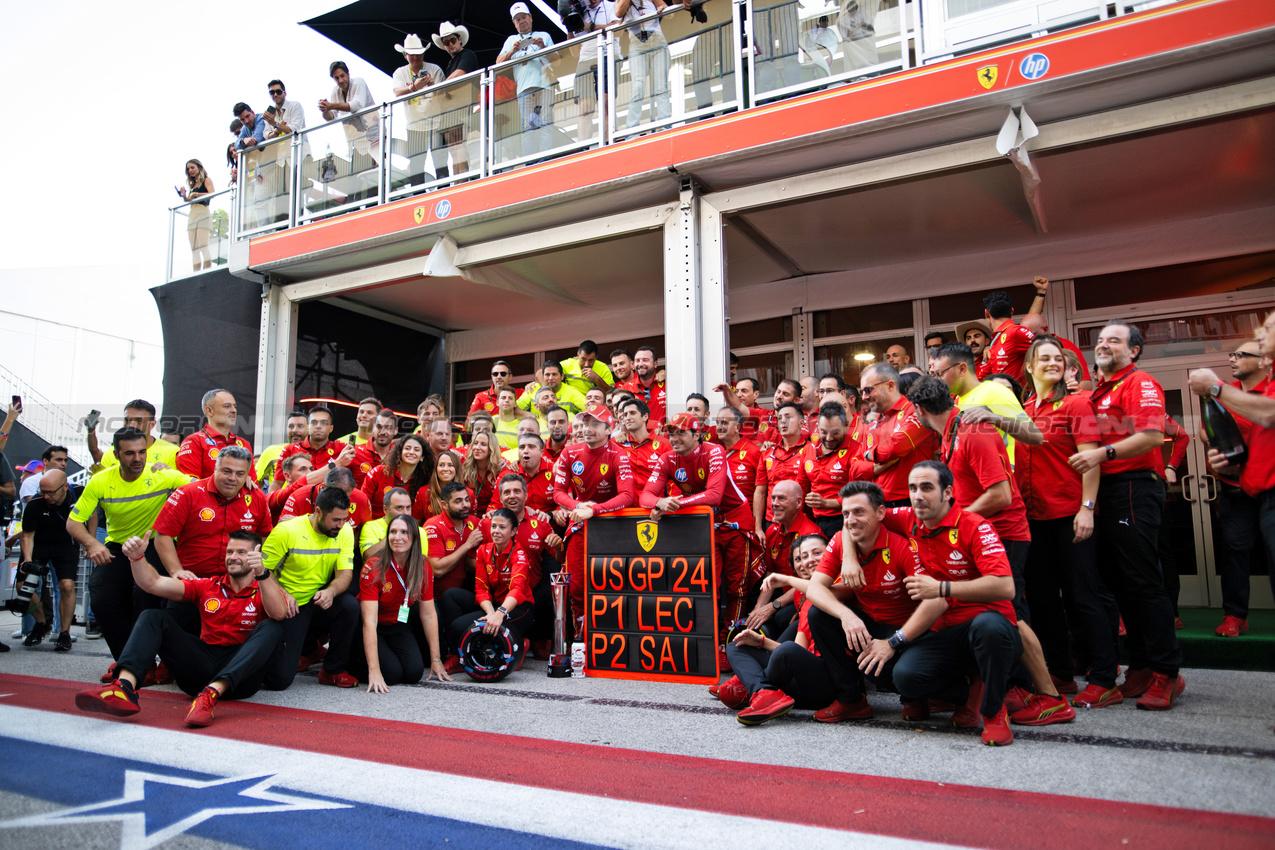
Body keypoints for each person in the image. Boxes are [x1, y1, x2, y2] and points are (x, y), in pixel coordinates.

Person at [910, 376, 1073, 725]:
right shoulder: (953, 432)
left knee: (1011, 613)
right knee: (992, 614)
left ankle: (1052, 698)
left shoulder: (973, 431)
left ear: (920, 410)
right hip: (983, 536)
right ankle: (993, 692)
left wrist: (953, 522)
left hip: (1006, 533)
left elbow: (1001, 495)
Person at [1069, 322, 1183, 710]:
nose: (1103, 345)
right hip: (1106, 492)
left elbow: (1152, 437)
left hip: (1134, 485)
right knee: (1119, 583)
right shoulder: (1098, 390)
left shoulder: (1140, 382)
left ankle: (1167, 672)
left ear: (1133, 351)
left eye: (1113, 340)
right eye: (1100, 340)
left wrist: (1102, 454)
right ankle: (1142, 663)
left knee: (1142, 581)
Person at [74, 530, 286, 727]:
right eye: (230, 551)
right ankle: (124, 688)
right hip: (201, 666)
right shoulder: (208, 585)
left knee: (272, 627)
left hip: (241, 679)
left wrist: (263, 573)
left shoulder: (265, 587)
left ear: (255, 557)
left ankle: (211, 694)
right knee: (152, 616)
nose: (233, 556)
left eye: (242, 552)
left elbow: (278, 613)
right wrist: (137, 558)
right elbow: (153, 584)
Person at [884, 462, 1022, 746]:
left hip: (987, 629)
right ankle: (967, 691)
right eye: (912, 488)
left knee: (989, 627)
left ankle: (994, 712)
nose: (918, 495)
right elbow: (862, 516)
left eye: (926, 487)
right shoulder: (908, 518)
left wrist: (941, 588)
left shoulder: (975, 525)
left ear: (947, 492)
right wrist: (848, 555)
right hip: (943, 632)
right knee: (905, 676)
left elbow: (1006, 587)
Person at [1016, 337, 1119, 708]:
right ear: (1029, 366)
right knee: (1043, 599)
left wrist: (1087, 508)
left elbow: (1091, 459)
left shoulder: (1076, 403)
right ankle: (1059, 671)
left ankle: (1106, 676)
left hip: (1070, 515)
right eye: (1044, 358)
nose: (1052, 363)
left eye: (1057, 358)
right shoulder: (1024, 407)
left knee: (1083, 595)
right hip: (1035, 519)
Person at [641, 413, 759, 669]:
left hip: (735, 521)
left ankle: (732, 645)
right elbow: (645, 497)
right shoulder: (667, 458)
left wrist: (674, 505)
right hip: (704, 525)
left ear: (698, 435)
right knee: (707, 587)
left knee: (736, 588)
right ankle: (708, 643)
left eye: (681, 432)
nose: (674, 438)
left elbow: (715, 495)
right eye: (671, 433)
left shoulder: (714, 451)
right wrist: (660, 501)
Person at [67, 428, 192, 667]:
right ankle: (129, 662)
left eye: (142, 452)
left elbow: (205, 485)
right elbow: (73, 522)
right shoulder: (100, 480)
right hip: (118, 545)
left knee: (144, 594)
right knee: (102, 597)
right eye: (129, 453)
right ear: (115, 454)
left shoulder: (162, 476)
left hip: (153, 543)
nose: (137, 458)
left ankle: (140, 661)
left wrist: (245, 477)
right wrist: (92, 543)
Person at [800, 481, 923, 722]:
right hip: (867, 624)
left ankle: (916, 696)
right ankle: (851, 700)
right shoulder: (840, 540)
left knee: (905, 675)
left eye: (859, 512)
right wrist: (846, 615)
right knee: (818, 614)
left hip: (906, 632)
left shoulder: (902, 546)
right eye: (846, 513)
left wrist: (894, 641)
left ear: (880, 513)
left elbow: (930, 605)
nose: (851, 520)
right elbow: (814, 588)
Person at [1188, 338, 1271, 637]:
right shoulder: (1226, 395)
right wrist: (1216, 447)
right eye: (1232, 354)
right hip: (1235, 488)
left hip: (1269, 487)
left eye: (1241, 355)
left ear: (1263, 362)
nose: (1232, 359)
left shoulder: (1268, 393)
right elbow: (1204, 431)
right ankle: (1234, 615)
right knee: (1235, 551)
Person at [151, 445, 273, 634]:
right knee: (171, 637)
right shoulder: (188, 493)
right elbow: (163, 536)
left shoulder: (256, 496)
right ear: (215, 469)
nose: (233, 478)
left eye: (240, 474)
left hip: (237, 586)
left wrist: (257, 572)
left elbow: (265, 536)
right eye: (227, 471)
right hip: (192, 583)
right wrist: (176, 571)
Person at [725, 536, 837, 725]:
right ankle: (762, 691)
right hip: (800, 678)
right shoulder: (803, 594)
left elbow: (793, 651)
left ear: (831, 555)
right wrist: (758, 641)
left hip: (825, 686)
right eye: (800, 558)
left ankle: (751, 682)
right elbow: (797, 649)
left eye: (817, 553)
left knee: (786, 649)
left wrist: (787, 580)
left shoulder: (840, 583)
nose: (807, 561)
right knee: (736, 644)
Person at [260, 487, 360, 689]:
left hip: (317, 600)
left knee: (349, 606)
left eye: (344, 519)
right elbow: (261, 570)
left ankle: (332, 670)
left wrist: (330, 591)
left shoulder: (345, 531)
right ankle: (310, 649)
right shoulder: (287, 531)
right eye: (335, 520)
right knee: (280, 680)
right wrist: (283, 593)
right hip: (289, 605)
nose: (341, 525)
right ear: (318, 511)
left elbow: (344, 575)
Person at [552, 406, 636, 633]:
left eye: (595, 424)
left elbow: (628, 496)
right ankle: (581, 638)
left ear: (610, 429)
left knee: (611, 585)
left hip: (612, 527)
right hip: (579, 524)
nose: (587, 429)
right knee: (577, 585)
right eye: (585, 424)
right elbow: (558, 492)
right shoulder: (569, 452)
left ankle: (612, 635)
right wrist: (578, 505)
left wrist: (595, 510)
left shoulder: (619, 454)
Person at [355, 514, 451, 691]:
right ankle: (354, 661)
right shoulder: (373, 567)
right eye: (393, 532)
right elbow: (369, 621)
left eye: (404, 532)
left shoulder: (422, 564)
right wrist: (374, 671)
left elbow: (429, 614)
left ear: (414, 537)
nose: (397, 537)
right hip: (373, 627)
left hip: (398, 624)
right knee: (391, 675)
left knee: (413, 674)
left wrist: (436, 660)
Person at [928, 343, 1042, 464]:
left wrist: (994, 418)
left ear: (962, 369)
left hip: (1004, 475)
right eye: (934, 375)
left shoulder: (994, 392)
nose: (937, 379)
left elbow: (1035, 435)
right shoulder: (956, 401)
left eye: (940, 373)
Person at [853, 363, 936, 507]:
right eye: (862, 392)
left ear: (890, 386)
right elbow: (854, 469)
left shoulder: (916, 410)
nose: (864, 397)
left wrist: (869, 455)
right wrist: (876, 467)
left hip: (911, 501)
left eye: (868, 390)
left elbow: (895, 447)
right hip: (878, 502)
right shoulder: (874, 421)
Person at [746, 480, 822, 630]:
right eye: (773, 498)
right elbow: (771, 573)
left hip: (808, 598)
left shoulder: (810, 536)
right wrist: (759, 608)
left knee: (780, 618)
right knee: (753, 616)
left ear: (799, 503)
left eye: (781, 498)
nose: (774, 503)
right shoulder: (772, 531)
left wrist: (772, 607)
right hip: (785, 595)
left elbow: (812, 583)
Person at [18, 470, 79, 651]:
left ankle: (64, 633)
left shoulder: (77, 495)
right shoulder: (35, 504)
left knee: (66, 585)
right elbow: (27, 536)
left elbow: (92, 515)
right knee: (23, 585)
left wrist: (89, 541)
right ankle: (42, 623)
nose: (46, 496)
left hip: (65, 544)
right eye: (42, 491)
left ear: (64, 487)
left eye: (50, 492)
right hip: (39, 544)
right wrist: (27, 560)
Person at [498, 3, 557, 161]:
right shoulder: (512, 40)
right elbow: (497, 64)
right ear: (514, 23)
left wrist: (542, 46)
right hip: (524, 88)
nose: (521, 21)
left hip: (545, 84)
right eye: (517, 19)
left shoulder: (543, 35)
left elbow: (557, 61)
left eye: (524, 17)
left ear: (530, 18)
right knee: (527, 127)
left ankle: (545, 158)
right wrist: (512, 51)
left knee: (545, 122)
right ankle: (530, 162)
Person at [797, 401, 862, 540]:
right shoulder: (808, 450)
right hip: (813, 521)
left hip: (845, 520)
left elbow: (857, 496)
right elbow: (801, 487)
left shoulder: (856, 451)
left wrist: (826, 503)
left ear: (845, 426)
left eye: (835, 433)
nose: (828, 438)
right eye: (824, 432)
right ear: (817, 427)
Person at [390, 35, 445, 187]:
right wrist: (414, 87)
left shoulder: (434, 69)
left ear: (423, 54)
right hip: (414, 126)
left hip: (437, 123)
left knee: (441, 166)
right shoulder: (400, 72)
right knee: (416, 170)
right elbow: (397, 92)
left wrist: (433, 85)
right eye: (411, 54)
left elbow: (445, 96)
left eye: (418, 53)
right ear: (405, 55)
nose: (415, 57)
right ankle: (418, 201)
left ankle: (444, 196)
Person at [433, 21, 480, 179]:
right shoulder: (451, 63)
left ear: (459, 39)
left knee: (459, 145)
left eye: (452, 41)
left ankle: (462, 180)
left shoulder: (467, 54)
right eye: (446, 43)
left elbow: (461, 73)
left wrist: (442, 86)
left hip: (462, 107)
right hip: (451, 109)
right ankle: (458, 180)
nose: (450, 45)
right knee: (454, 148)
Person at [617, 0, 671, 132]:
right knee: (638, 86)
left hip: (657, 40)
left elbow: (668, 12)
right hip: (637, 45)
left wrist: (663, 9)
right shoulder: (621, 2)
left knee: (661, 86)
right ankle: (632, 130)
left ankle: (666, 126)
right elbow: (618, 13)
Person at [712, 405, 766, 538]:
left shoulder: (754, 452)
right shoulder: (715, 454)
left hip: (745, 525)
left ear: (737, 427)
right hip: (719, 526)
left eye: (724, 422)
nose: (719, 427)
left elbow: (762, 491)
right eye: (717, 422)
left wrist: (757, 528)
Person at [977, 283, 1047, 382]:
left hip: (1021, 395)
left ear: (986, 313)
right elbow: (984, 376)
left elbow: (1046, 353)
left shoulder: (1017, 332)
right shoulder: (996, 339)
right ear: (1012, 311)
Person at [88, 399, 179, 473]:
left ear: (152, 424)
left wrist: (170, 475)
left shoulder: (172, 453)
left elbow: (183, 489)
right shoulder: (112, 452)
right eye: (127, 420)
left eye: (139, 421)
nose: (131, 425)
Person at [568, 0, 615, 142]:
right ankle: (584, 146)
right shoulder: (579, 12)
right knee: (584, 109)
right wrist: (569, 25)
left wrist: (591, 27)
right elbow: (574, 52)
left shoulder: (610, 6)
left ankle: (609, 141)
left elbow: (617, 30)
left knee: (606, 103)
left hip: (607, 54)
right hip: (584, 60)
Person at [272, 406, 354, 489]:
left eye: (324, 423)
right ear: (308, 427)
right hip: (296, 499)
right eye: (314, 422)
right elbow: (277, 484)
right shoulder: (289, 450)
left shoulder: (341, 449)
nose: (318, 426)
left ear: (331, 428)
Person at [177, 389, 252, 478]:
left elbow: (252, 484)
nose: (234, 410)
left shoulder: (244, 444)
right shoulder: (194, 441)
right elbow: (189, 487)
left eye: (234, 406)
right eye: (227, 406)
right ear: (209, 411)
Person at [320, 61, 381, 168]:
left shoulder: (358, 82)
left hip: (374, 137)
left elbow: (357, 105)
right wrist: (325, 109)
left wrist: (331, 105)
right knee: (358, 179)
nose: (340, 80)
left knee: (377, 175)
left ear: (348, 74)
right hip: (356, 143)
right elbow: (331, 116)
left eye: (342, 76)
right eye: (336, 78)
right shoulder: (335, 91)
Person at [360, 434, 434, 519]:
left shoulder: (423, 480)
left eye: (416, 450)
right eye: (407, 448)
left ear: (422, 457)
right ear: (400, 452)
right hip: (373, 526)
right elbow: (363, 502)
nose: (411, 452)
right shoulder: (379, 472)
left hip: (404, 528)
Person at [279, 466, 372, 532]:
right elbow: (282, 527)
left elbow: (366, 532)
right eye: (336, 496)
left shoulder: (361, 499)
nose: (341, 501)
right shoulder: (299, 496)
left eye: (346, 497)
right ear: (323, 488)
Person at [617, 397, 672, 493]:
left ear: (645, 416)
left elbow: (674, 480)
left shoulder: (664, 444)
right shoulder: (617, 444)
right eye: (625, 415)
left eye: (632, 413)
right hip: (627, 506)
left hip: (656, 504)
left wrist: (671, 504)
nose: (627, 417)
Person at [359, 487, 426, 560]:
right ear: (385, 510)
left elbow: (422, 564)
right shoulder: (371, 527)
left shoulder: (419, 531)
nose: (405, 513)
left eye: (408, 508)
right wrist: (394, 533)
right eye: (399, 508)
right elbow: (368, 557)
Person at [177, 159, 214, 271]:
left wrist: (196, 194)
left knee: (203, 245)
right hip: (192, 214)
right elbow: (189, 200)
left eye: (192, 167)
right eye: (188, 169)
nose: (190, 170)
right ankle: (196, 273)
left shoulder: (206, 180)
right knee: (194, 249)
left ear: (199, 167)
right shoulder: (193, 184)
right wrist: (184, 196)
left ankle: (207, 271)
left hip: (202, 212)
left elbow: (212, 194)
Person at [459, 431, 506, 516]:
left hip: (493, 515)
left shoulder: (500, 468)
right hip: (467, 515)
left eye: (483, 444)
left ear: (491, 448)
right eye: (475, 443)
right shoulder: (464, 465)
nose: (477, 447)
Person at [256, 411, 308, 486]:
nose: (294, 430)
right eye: (291, 426)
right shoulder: (271, 451)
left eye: (300, 426)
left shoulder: (316, 452)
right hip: (279, 497)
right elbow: (254, 481)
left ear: (308, 428)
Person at [519, 360, 587, 417]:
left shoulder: (571, 392)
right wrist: (532, 416)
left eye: (554, 374)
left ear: (562, 376)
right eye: (547, 375)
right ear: (543, 376)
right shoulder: (533, 389)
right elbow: (514, 409)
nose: (551, 378)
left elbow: (590, 408)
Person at [619, 346, 667, 425]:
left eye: (645, 360)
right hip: (636, 436)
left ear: (655, 364)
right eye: (637, 360)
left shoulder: (667, 383)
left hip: (662, 435)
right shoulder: (626, 388)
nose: (640, 364)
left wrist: (667, 373)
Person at [416, 449, 465, 521]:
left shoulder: (468, 493)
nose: (445, 469)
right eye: (441, 465)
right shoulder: (423, 493)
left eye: (450, 465)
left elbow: (469, 523)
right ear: (436, 469)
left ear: (457, 469)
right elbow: (416, 525)